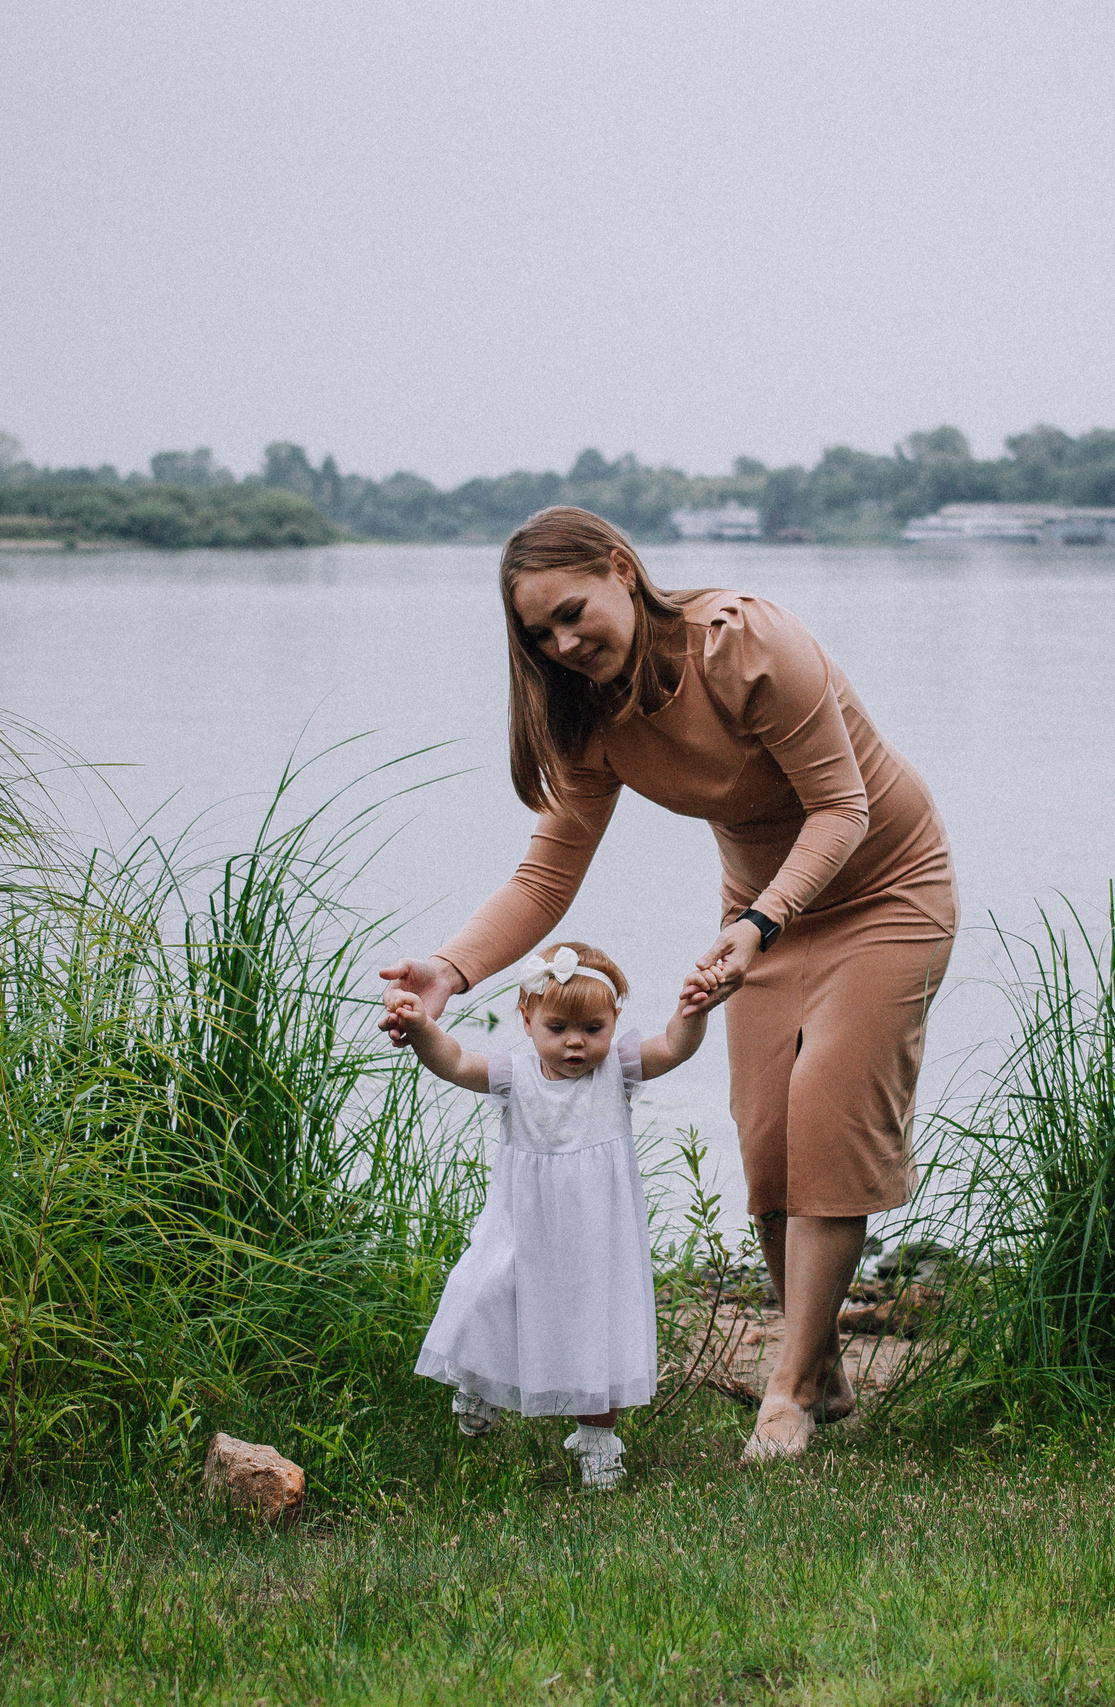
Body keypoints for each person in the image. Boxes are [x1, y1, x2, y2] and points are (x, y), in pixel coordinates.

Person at [380, 506, 956, 1461]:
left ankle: (788, 1391)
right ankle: (827, 1372)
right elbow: (546, 876)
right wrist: (452, 967)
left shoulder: (745, 645)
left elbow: (841, 806)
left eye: (573, 611)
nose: (563, 643)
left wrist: (756, 924)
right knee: (769, 1136)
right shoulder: (590, 717)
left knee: (828, 1120)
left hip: (886, 888)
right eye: (539, 634)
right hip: (761, 914)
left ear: (621, 568)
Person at [391, 939, 715, 1490]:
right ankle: (482, 1380)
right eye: (558, 1027)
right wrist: (422, 1029)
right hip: (523, 1222)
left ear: (613, 1022)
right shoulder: (514, 1076)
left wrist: (695, 1013)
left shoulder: (618, 1070)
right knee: (484, 1291)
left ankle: (598, 1444)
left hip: (598, 1234)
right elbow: (454, 1061)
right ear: (527, 1018)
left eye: (593, 1028)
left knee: (599, 1328)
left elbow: (675, 1048)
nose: (575, 1043)